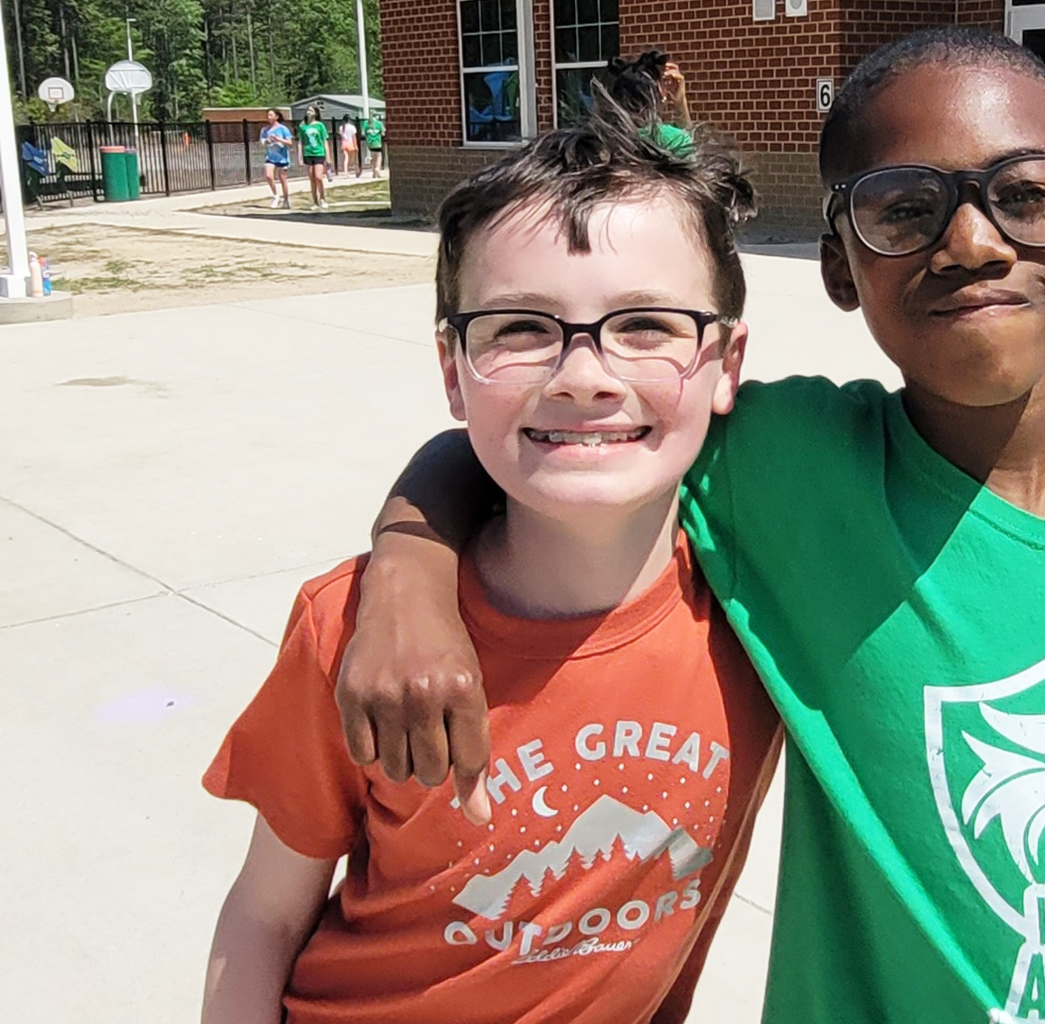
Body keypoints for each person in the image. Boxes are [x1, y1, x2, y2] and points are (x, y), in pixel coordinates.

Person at [340, 28, 1045, 1023]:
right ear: (839, 265)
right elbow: (545, 440)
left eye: (1027, 194)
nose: (971, 240)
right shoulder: (790, 468)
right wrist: (409, 571)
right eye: (905, 208)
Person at [199, 109, 782, 1024]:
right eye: (519, 329)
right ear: (451, 367)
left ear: (724, 361)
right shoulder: (347, 631)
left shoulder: (774, 601)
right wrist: (405, 566)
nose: (584, 375)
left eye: (645, 325)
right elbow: (266, 913)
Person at [607, 50, 694, 156]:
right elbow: (689, 152)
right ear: (657, 94)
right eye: (663, 83)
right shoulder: (672, 139)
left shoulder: (608, 139)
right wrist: (681, 103)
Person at [258, 109, 294, 209]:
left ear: (276, 117)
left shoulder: (283, 129)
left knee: (283, 179)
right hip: (270, 156)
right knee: (269, 175)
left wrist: (279, 139)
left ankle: (286, 199)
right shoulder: (265, 130)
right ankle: (275, 196)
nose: (268, 117)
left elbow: (290, 142)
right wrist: (267, 141)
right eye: (268, 115)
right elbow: (262, 142)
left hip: (282, 157)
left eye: (271, 115)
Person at [297, 107, 330, 209]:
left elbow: (325, 141)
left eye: (311, 110)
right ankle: (314, 201)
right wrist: (300, 157)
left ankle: (322, 198)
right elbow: (300, 142)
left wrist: (328, 157)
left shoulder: (320, 125)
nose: (308, 112)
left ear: (315, 113)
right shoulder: (303, 126)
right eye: (308, 110)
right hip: (308, 153)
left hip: (319, 153)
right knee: (311, 178)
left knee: (318, 177)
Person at [364, 113, 385, 177]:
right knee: (379, 156)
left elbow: (364, 133)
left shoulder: (366, 123)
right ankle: (377, 168)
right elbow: (383, 133)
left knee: (373, 157)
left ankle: (374, 173)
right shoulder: (379, 123)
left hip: (370, 143)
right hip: (377, 143)